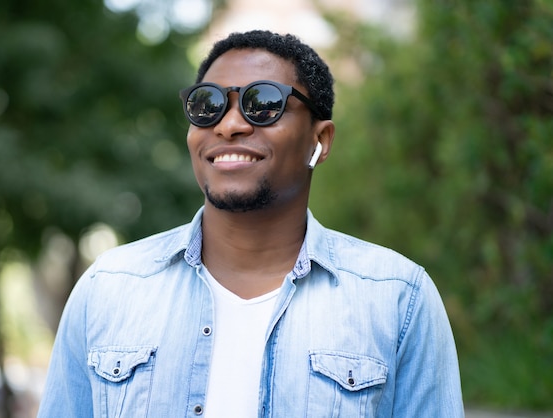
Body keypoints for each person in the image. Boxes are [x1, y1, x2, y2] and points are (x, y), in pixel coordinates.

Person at [37, 30, 464, 417]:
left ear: (321, 139)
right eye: (208, 106)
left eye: (264, 103)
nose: (231, 124)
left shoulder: (397, 300)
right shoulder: (109, 289)